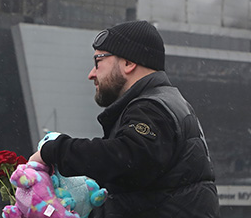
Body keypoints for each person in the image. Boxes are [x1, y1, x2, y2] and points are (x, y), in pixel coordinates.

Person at [30, 20, 219, 217]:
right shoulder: (163, 103)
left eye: (98, 62)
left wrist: (54, 151)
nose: (91, 74)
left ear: (128, 63)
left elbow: (125, 157)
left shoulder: (151, 108)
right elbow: (132, 191)